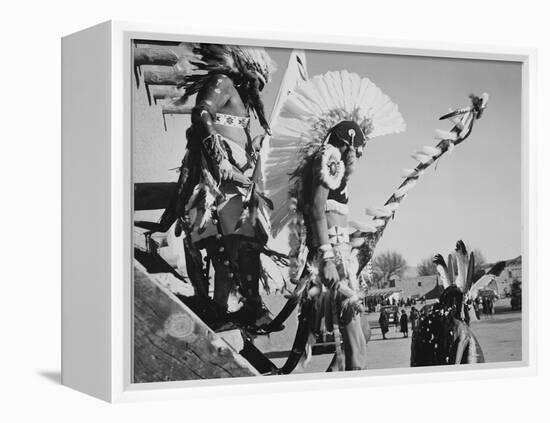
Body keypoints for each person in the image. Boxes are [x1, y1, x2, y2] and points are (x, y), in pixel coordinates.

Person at [263, 70, 405, 372]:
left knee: (362, 334)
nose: (361, 156)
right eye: (360, 149)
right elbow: (315, 211)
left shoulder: (332, 164)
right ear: (349, 142)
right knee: (356, 344)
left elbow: (329, 214)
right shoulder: (328, 159)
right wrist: (327, 259)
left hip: (341, 261)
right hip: (331, 264)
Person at [152, 44, 276, 329]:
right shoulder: (223, 82)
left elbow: (224, 125)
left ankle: (227, 309)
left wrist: (252, 145)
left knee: (238, 244)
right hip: (220, 178)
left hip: (238, 179)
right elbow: (202, 114)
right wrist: (220, 159)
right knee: (234, 243)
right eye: (259, 82)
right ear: (246, 71)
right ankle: (245, 308)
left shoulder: (238, 96)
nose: (260, 89)